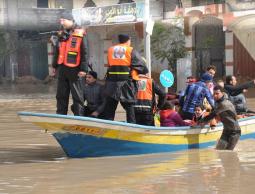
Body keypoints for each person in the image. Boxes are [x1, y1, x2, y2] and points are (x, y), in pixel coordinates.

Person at [102, 34, 148, 123]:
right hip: (126, 83)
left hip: (111, 83)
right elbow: (142, 65)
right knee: (130, 108)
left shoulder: (111, 50)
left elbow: (110, 64)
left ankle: (107, 128)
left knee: (110, 109)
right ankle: (132, 128)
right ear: (128, 40)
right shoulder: (130, 50)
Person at [51, 12, 88, 116]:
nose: (61, 22)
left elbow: (85, 52)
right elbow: (57, 52)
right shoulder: (61, 34)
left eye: (63, 20)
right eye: (60, 20)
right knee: (61, 95)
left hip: (76, 69)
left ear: (70, 20)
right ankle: (61, 117)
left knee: (77, 96)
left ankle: (79, 119)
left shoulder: (80, 33)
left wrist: (83, 69)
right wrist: (54, 66)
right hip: (62, 68)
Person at [198, 85, 241, 150]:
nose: (215, 95)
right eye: (214, 94)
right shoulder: (218, 102)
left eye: (217, 93)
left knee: (228, 152)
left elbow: (212, 115)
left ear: (222, 93)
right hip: (226, 131)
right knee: (219, 150)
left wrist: (200, 122)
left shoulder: (224, 104)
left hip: (234, 132)